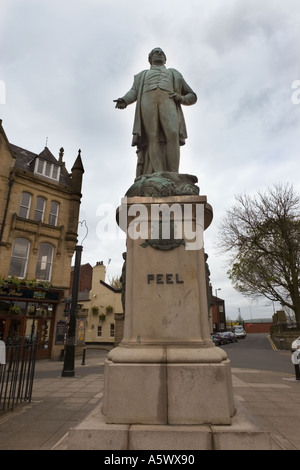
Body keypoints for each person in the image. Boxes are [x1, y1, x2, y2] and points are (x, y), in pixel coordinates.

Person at [114, 47, 197, 176]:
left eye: (161, 52)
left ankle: (173, 174)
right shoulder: (142, 75)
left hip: (168, 100)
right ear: (150, 59)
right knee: (152, 137)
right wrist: (124, 100)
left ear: (165, 59)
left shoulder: (174, 73)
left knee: (173, 134)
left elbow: (192, 95)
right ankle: (158, 174)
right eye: (155, 52)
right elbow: (133, 92)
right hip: (147, 102)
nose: (159, 54)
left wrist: (181, 98)